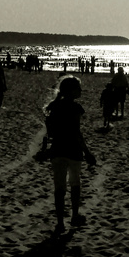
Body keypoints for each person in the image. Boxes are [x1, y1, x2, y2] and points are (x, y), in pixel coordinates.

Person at [43, 75, 96, 237]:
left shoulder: (53, 106)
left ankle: (60, 222)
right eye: (78, 88)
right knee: (75, 184)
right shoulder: (75, 108)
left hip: (57, 150)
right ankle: (74, 216)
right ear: (71, 91)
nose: (81, 91)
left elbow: (50, 132)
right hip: (73, 151)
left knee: (59, 188)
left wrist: (45, 149)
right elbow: (76, 133)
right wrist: (87, 152)